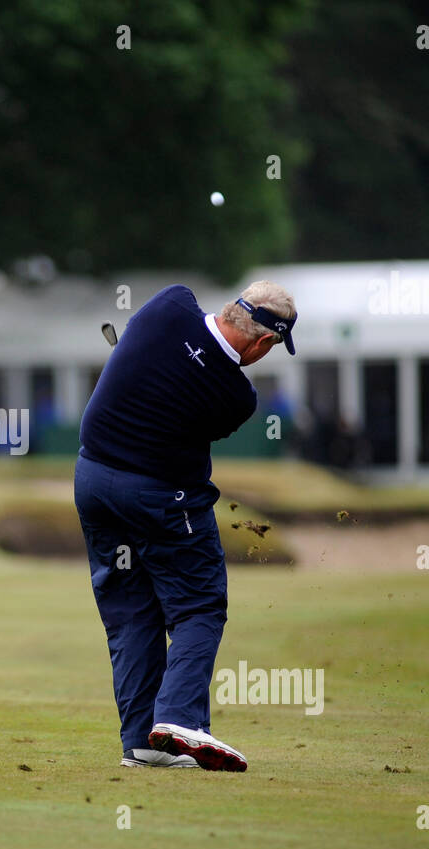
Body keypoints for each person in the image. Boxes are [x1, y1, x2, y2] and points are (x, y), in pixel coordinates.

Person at [74, 281, 297, 769]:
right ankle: (178, 719)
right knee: (198, 607)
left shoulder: (169, 305)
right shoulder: (238, 397)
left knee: (131, 612)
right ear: (263, 344)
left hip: (91, 482)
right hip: (160, 498)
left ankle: (139, 744)